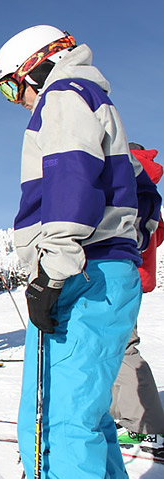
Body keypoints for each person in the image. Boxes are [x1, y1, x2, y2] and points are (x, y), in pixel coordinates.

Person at [0, 25, 160, 479]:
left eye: (9, 87)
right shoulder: (98, 102)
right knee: (88, 428)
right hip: (108, 273)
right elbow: (147, 204)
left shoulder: (64, 96)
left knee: (57, 431)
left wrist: (53, 272)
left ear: (37, 66)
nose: (17, 101)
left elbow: (69, 179)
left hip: (80, 273)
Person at [110, 142, 164, 453]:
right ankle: (124, 414)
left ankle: (149, 428)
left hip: (121, 277)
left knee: (122, 350)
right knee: (114, 348)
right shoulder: (148, 186)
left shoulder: (128, 176)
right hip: (132, 277)